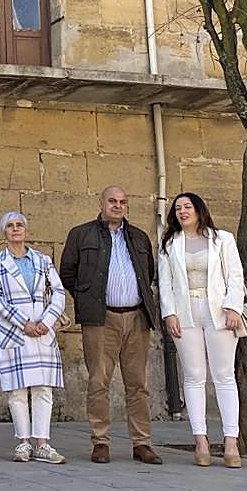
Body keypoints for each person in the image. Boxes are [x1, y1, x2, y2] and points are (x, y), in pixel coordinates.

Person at [60, 185, 163, 465]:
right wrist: (87, 298)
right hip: (100, 319)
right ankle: (101, 441)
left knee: (138, 384)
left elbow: (149, 273)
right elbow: (67, 273)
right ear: (101, 202)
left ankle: (142, 443)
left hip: (137, 318)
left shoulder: (139, 237)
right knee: (98, 381)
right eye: (112, 201)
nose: (118, 206)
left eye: (123, 202)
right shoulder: (81, 234)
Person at [158, 193, 245, 468]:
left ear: (199, 210)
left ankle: (231, 440)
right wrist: (169, 313)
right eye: (178, 208)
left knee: (224, 376)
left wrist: (234, 307)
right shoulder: (169, 244)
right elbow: (165, 283)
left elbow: (236, 275)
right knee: (194, 376)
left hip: (219, 313)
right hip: (186, 314)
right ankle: (201, 440)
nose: (183, 211)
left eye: (188, 206)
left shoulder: (223, 239)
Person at [0, 211, 67, 464]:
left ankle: (42, 443)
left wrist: (46, 321)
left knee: (43, 388)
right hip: (15, 332)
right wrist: (23, 323)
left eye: (20, 225)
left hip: (43, 331)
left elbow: (59, 291)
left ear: (26, 229)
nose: (16, 229)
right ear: (4, 232)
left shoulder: (42, 261)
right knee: (17, 389)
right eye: (10, 226)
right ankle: (23, 442)